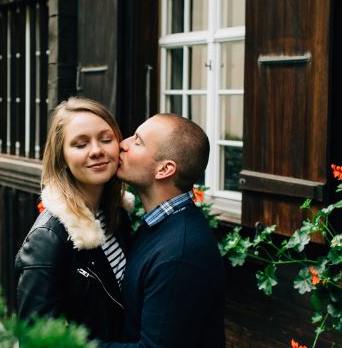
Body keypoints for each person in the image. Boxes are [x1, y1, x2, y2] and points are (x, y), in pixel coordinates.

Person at [101, 113, 226, 348]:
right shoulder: (159, 226)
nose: (122, 144)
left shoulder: (181, 253)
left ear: (164, 169)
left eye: (137, 141)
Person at [15, 97, 134, 341]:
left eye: (105, 139)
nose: (97, 151)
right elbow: (37, 340)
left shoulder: (117, 214)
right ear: (62, 157)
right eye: (80, 144)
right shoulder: (48, 238)